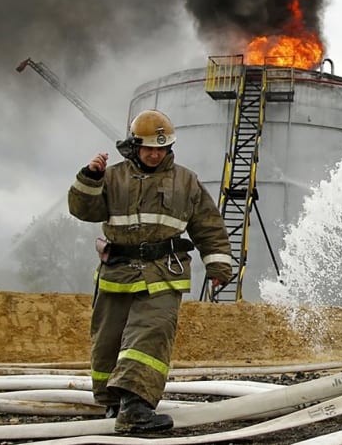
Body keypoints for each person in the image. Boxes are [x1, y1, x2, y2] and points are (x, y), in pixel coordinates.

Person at [68, 109, 233, 433]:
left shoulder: (186, 181)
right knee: (108, 341)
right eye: (149, 148)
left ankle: (135, 408)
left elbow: (208, 226)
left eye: (162, 148)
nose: (156, 154)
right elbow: (82, 210)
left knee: (149, 334)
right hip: (116, 273)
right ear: (134, 146)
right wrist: (89, 177)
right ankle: (112, 403)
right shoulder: (112, 176)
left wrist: (217, 265)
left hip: (162, 273)